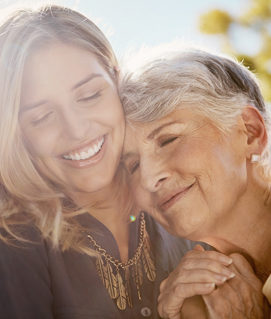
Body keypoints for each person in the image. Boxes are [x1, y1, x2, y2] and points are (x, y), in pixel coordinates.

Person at [0, 5, 227, 319]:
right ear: (9, 137)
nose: (76, 129)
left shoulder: (180, 196)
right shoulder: (4, 240)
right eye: (41, 117)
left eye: (89, 95)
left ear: (116, 79)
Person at [120, 43, 271, 318]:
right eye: (132, 165)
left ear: (249, 132)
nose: (149, 178)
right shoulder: (198, 300)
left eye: (169, 140)